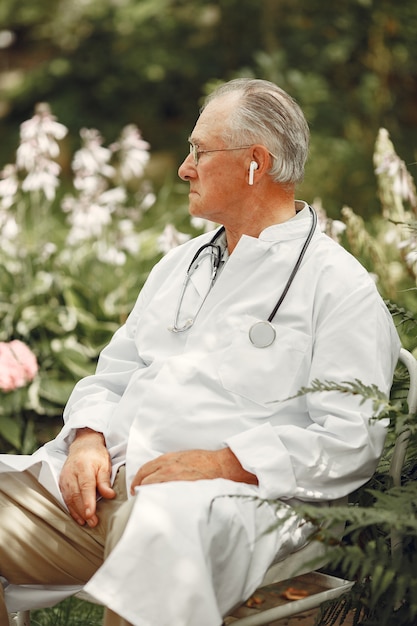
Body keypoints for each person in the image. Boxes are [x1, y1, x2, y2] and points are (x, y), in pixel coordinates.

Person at [0, 78, 400, 626]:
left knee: (166, 542)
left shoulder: (338, 287)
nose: (185, 168)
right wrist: (88, 439)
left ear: (256, 162)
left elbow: (351, 440)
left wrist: (225, 463)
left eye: (199, 151)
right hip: (101, 491)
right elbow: (114, 373)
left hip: (215, 505)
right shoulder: (181, 264)